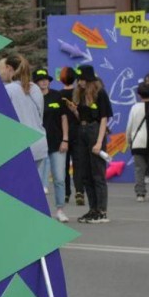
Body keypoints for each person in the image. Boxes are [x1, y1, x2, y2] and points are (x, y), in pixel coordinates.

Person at [68, 65, 113, 224]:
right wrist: (74, 110)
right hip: (82, 130)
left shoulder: (100, 93)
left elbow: (103, 118)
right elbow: (82, 117)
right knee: (85, 174)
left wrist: (99, 142)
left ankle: (102, 211)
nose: (79, 82)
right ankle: (93, 209)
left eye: (82, 79)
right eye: (78, 80)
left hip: (95, 131)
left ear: (88, 79)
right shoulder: (79, 93)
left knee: (97, 174)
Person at [0, 54, 48, 175]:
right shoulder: (35, 88)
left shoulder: (8, 90)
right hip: (39, 145)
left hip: (20, 147)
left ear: (9, 68)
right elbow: (39, 116)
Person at [34, 68, 70, 222]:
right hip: (38, 144)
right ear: (35, 82)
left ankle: (60, 209)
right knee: (37, 182)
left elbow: (64, 118)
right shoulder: (31, 97)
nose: (43, 81)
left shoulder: (57, 95)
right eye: (40, 79)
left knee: (59, 178)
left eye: (46, 79)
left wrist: (65, 139)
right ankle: (40, 211)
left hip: (57, 144)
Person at [126, 82, 149, 200]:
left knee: (139, 169)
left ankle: (140, 193)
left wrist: (129, 140)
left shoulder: (134, 108)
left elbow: (129, 126)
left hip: (137, 143)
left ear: (139, 95)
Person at [59, 66, 83, 206]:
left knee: (64, 165)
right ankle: (79, 191)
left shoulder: (58, 95)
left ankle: (66, 193)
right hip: (78, 132)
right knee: (78, 163)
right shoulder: (78, 94)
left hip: (63, 134)